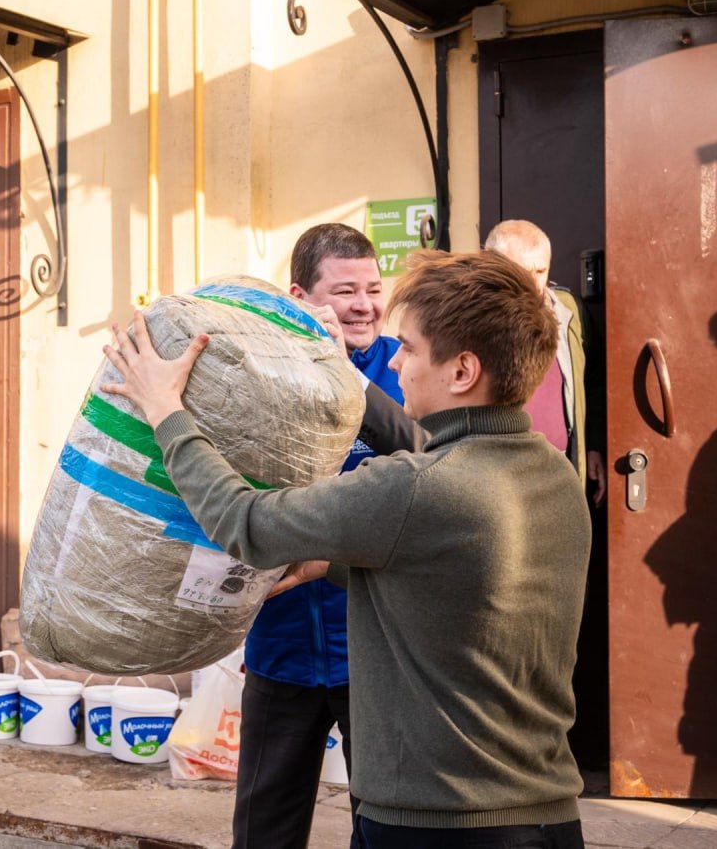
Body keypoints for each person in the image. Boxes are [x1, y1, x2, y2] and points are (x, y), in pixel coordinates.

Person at [103, 250, 589, 849]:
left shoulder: (416, 486)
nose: (397, 363)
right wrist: (329, 566)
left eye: (407, 348)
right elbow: (455, 588)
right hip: (547, 818)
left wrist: (165, 410)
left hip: (435, 827)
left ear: (462, 371)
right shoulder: (555, 477)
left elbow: (243, 521)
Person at [232, 223, 421, 849]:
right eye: (346, 291)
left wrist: (343, 373)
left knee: (388, 821)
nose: (366, 305)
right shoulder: (261, 375)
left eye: (373, 288)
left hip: (374, 645)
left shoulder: (403, 371)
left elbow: (429, 460)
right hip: (279, 640)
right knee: (265, 824)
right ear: (300, 297)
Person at [484, 220, 605, 506]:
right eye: (523, 272)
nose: (534, 284)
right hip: (501, 477)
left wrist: (595, 445)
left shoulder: (568, 312)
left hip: (561, 469)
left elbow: (595, 380)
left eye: (541, 271)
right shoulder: (469, 319)